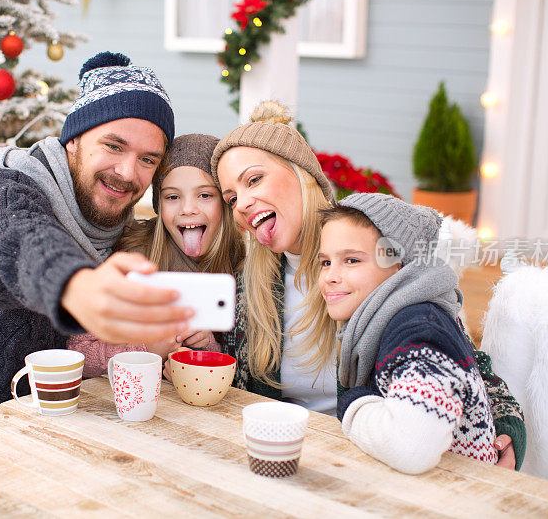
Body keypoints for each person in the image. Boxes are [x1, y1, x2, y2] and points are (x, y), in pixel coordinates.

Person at [212, 100, 526, 469]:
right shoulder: (250, 284)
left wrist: (507, 428)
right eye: (231, 198)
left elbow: (453, 353)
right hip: (288, 459)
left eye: (254, 179)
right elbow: (233, 384)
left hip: (376, 464)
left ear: (302, 174)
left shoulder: (377, 259)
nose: (243, 204)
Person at [0, 51, 194, 417]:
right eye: (114, 146)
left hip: (57, 428)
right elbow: (21, 242)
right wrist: (75, 286)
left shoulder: (115, 230)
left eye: (147, 159)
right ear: (73, 140)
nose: (126, 171)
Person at [319, 194, 498, 474]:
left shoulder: (418, 330)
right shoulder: (392, 318)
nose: (330, 276)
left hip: (460, 492)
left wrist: (353, 402)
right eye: (325, 262)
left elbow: (412, 447)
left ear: (401, 265)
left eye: (352, 260)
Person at [68, 134, 245, 377]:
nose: (188, 209)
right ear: (159, 205)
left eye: (205, 195)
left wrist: (205, 346)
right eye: (172, 197)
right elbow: (81, 354)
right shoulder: (135, 258)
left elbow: (240, 369)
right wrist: (147, 349)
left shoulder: (241, 263)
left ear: (225, 202)